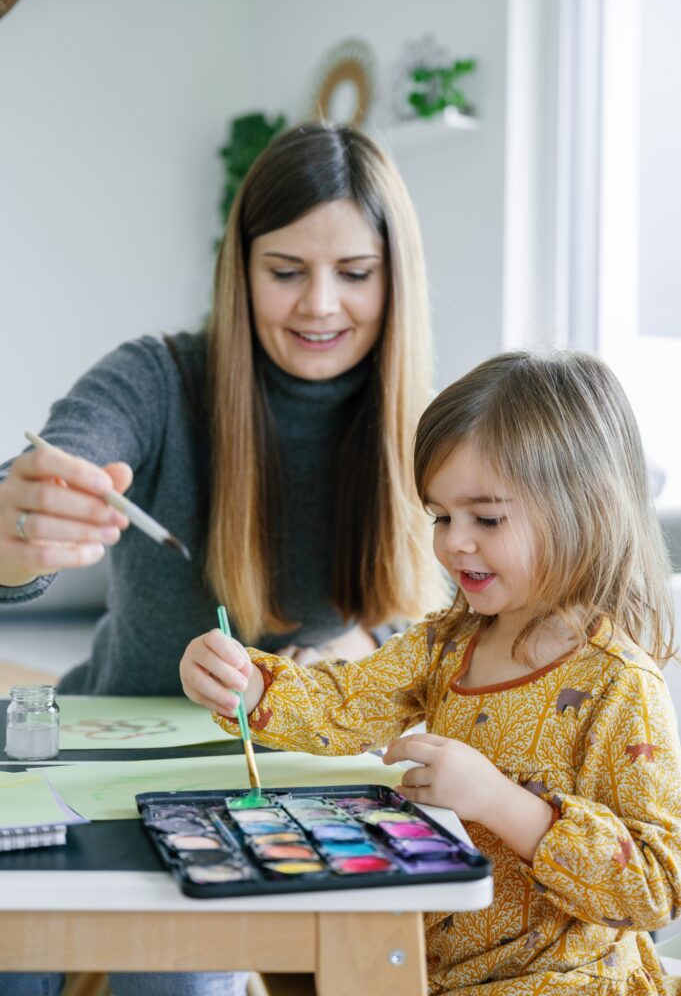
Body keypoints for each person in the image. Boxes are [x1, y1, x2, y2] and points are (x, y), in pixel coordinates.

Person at [0, 123, 445, 995]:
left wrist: (344, 667)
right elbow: (58, 470)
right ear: (239, 271)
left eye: (354, 273)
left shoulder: (428, 422)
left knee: (178, 979)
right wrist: (18, 528)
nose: (319, 305)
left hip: (287, 788)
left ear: (397, 278)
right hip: (102, 760)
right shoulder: (156, 378)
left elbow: (424, 639)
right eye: (285, 272)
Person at [190, 349, 681, 995]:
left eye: (486, 518)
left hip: (561, 981)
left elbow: (655, 887)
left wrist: (503, 804)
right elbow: (343, 706)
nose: (454, 542)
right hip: (429, 968)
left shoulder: (619, 683)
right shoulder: (447, 642)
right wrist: (245, 683)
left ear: (582, 511)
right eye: (440, 516)